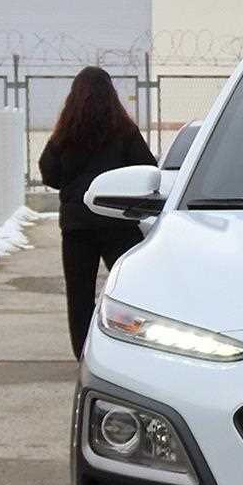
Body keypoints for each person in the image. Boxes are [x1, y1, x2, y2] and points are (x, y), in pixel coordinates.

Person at [39, 66, 156, 358]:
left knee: (79, 295)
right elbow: (147, 168)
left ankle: (84, 354)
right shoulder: (124, 131)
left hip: (77, 227)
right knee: (131, 291)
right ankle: (131, 350)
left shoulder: (65, 134)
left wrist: (73, 185)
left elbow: (49, 173)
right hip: (117, 222)